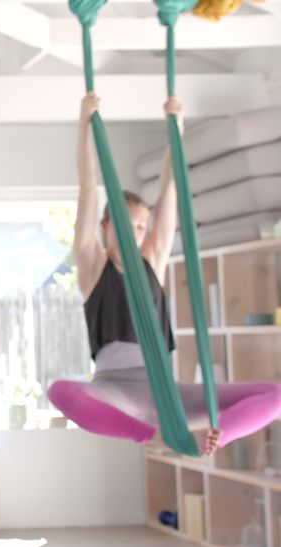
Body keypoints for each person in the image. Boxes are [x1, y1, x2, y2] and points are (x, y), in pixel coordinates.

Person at [48, 93, 281, 455]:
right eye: (127, 224)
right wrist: (84, 123)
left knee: (274, 394)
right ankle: (148, 435)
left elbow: (169, 188)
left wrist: (176, 127)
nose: (136, 232)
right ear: (106, 226)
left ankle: (216, 438)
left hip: (165, 391)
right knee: (60, 391)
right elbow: (86, 188)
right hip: (117, 392)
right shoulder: (94, 266)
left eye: (142, 226)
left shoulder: (152, 260)